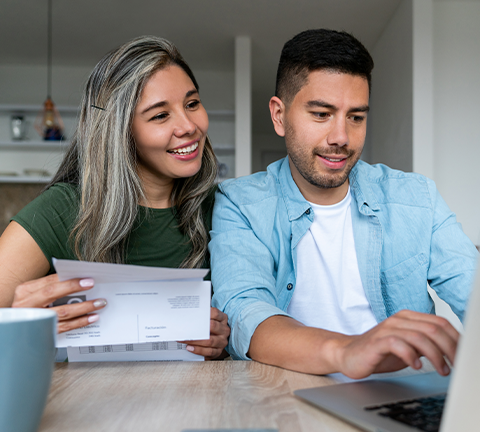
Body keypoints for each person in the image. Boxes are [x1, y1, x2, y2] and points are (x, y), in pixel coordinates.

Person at [210, 29, 478, 376]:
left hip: (405, 393)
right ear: (279, 115)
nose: (341, 138)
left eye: (356, 117)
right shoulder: (240, 203)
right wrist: (347, 351)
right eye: (321, 114)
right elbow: (245, 313)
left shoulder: (416, 198)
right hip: (293, 394)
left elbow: (473, 290)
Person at [0, 36, 229, 360]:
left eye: (192, 104)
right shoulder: (62, 210)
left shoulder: (224, 209)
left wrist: (226, 338)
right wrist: (19, 323)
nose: (189, 126)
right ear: (119, 132)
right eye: (160, 115)